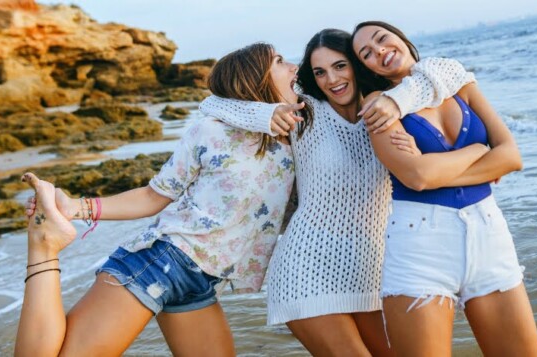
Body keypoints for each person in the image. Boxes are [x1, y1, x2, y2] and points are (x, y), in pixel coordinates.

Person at [14, 43, 305, 357]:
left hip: (200, 283)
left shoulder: (297, 142)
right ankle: (42, 245)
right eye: (279, 61)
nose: (294, 67)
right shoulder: (213, 130)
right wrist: (77, 208)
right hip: (159, 261)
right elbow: (154, 195)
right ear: (253, 80)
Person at [199, 28, 472, 356]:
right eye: (320, 72)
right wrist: (266, 112)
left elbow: (451, 71)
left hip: (374, 271)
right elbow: (214, 104)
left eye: (340, 66)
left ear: (358, 64)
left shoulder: (389, 108)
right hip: (307, 271)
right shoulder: (304, 112)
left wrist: (397, 100)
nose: (332, 79)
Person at [351, 21, 537, 356]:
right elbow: (416, 178)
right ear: (366, 67)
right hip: (420, 246)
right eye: (366, 53)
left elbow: (512, 156)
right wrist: (479, 153)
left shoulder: (459, 84)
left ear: (403, 39)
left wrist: (438, 172)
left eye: (382, 39)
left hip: (490, 235)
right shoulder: (378, 104)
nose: (379, 51)